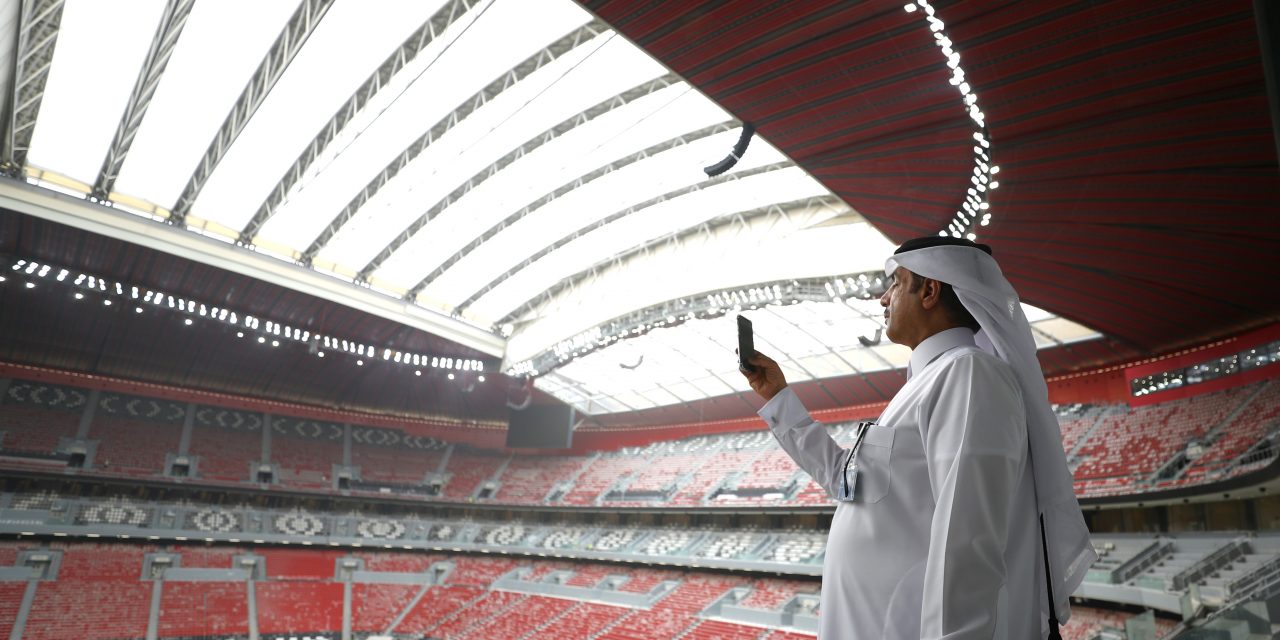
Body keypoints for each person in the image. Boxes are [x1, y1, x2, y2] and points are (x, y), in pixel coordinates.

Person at [742, 236, 1095, 640]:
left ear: (929, 290)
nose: (883, 299)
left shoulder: (970, 374)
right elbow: (848, 482)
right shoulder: (926, 382)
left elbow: (967, 542)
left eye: (896, 283)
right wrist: (777, 398)